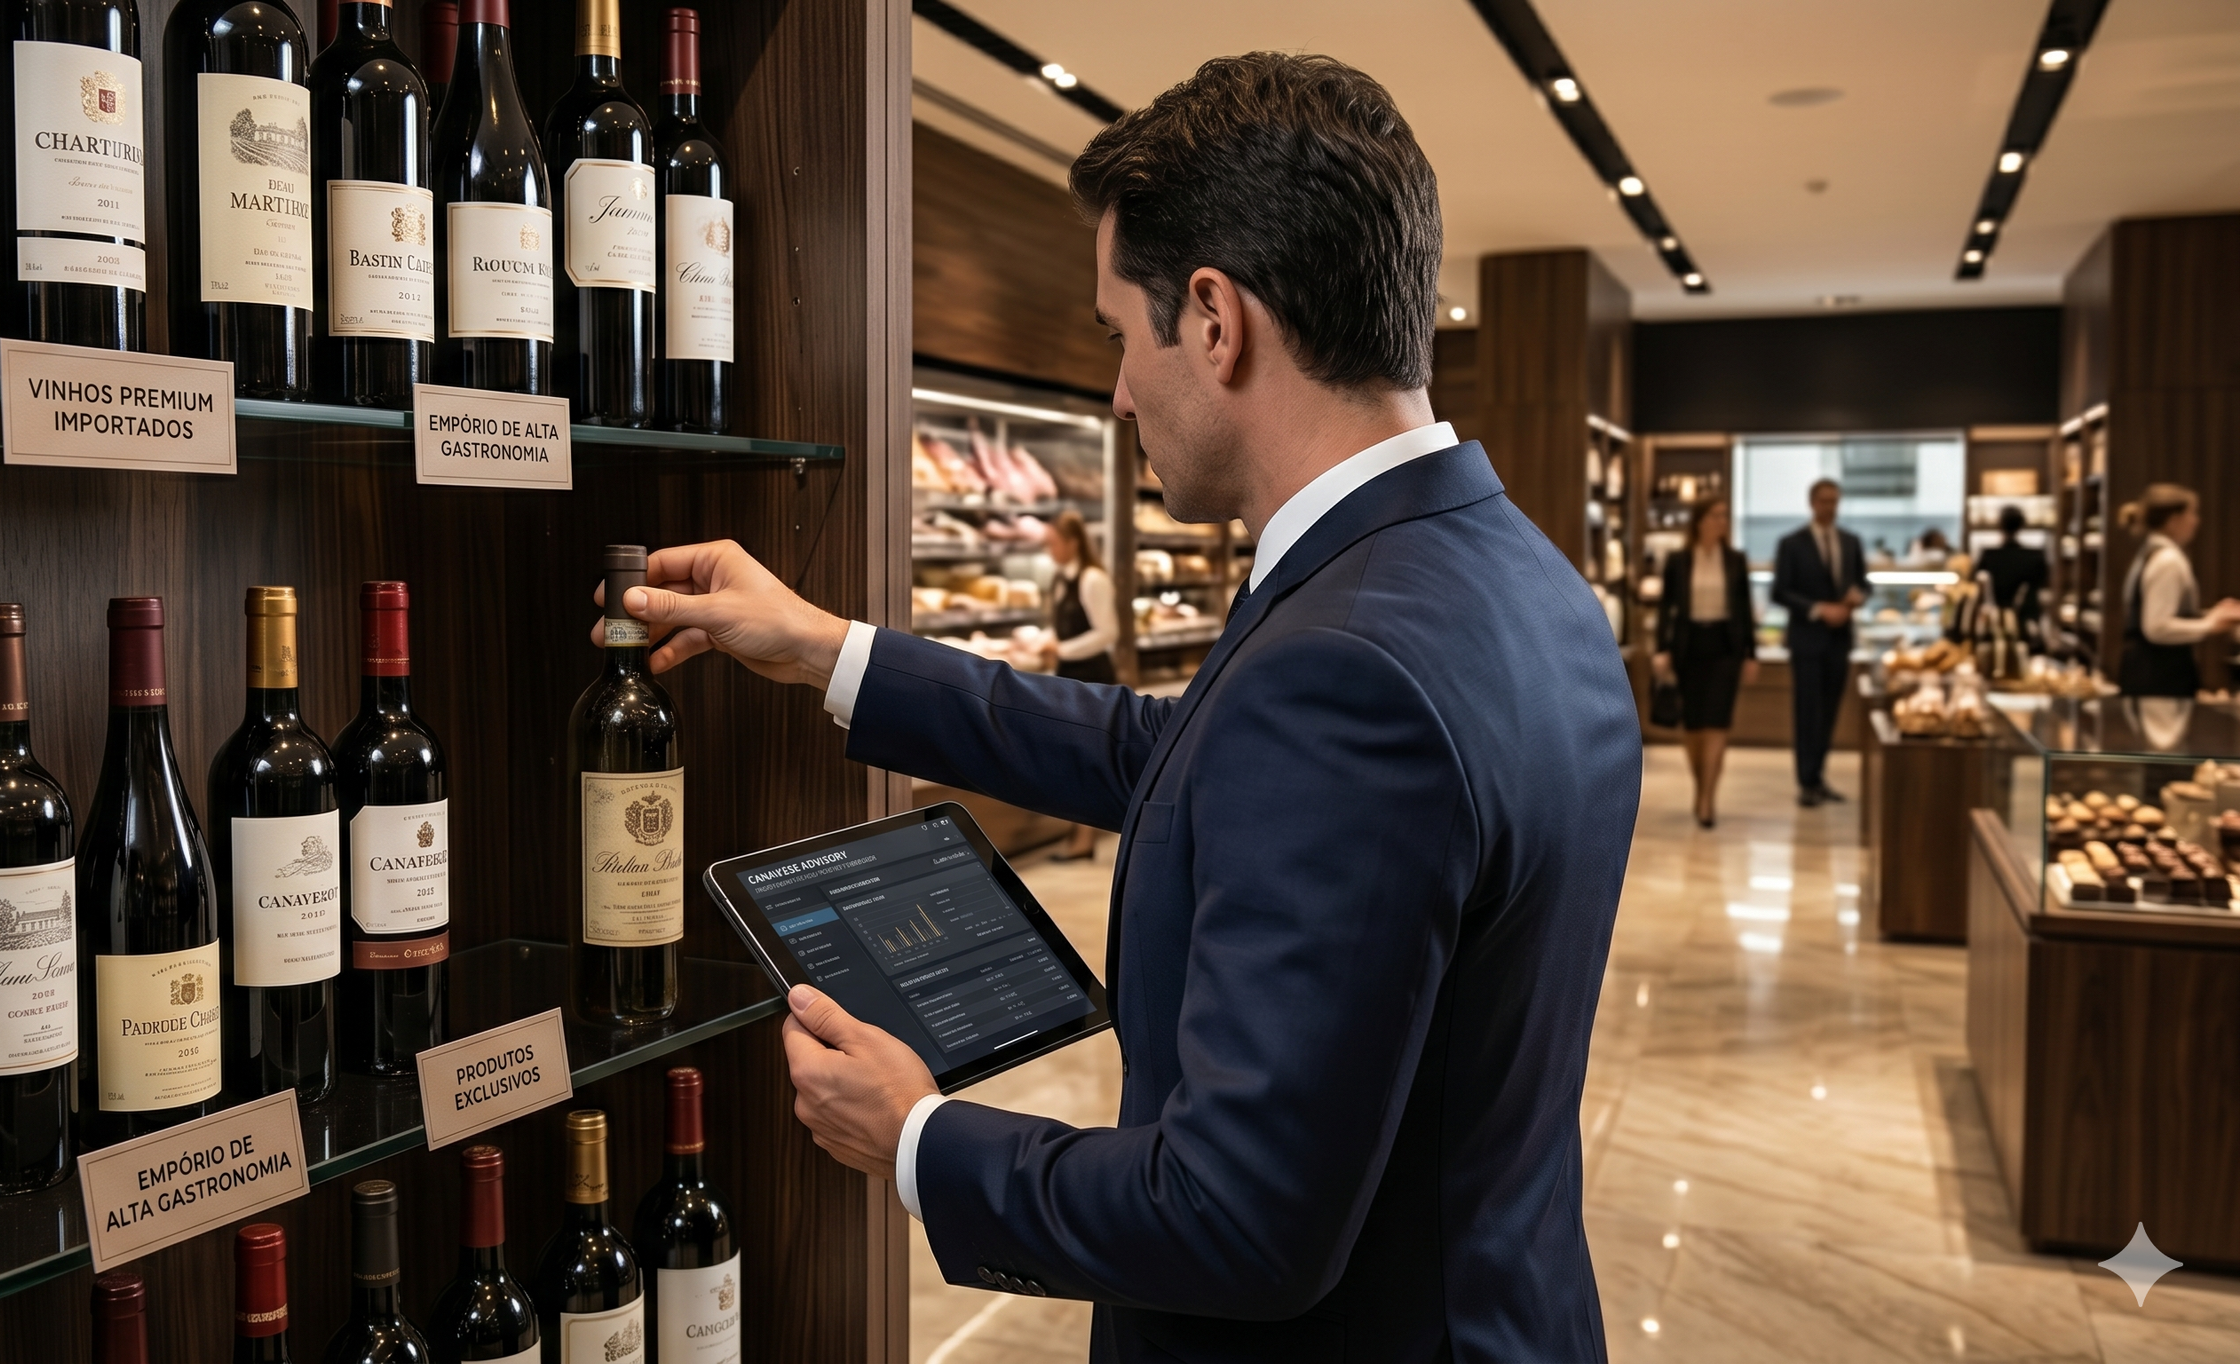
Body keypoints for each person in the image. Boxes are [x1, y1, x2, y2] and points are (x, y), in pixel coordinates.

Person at [594, 53, 1636, 1363]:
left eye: (1115, 337)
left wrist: (918, 1139)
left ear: (1213, 318)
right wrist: (828, 649)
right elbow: (1179, 752)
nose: (1118, 394)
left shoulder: (1346, 665)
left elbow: (1236, 1221)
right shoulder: (1512, 577)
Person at [1652, 495, 1757, 828]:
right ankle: (1701, 787)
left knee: (1718, 724)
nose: (1721, 522)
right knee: (1694, 725)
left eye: (1725, 516)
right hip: (1689, 647)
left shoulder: (1735, 560)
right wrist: (1661, 649)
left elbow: (1745, 610)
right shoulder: (1679, 560)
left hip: (1725, 648)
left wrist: (1751, 654)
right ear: (1699, 521)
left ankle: (1708, 799)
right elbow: (1666, 610)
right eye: (1715, 515)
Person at [1772, 478, 1870, 807]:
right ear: (1812, 503)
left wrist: (1857, 598)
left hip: (1840, 640)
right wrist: (1818, 609)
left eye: (1835, 502)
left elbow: (1863, 583)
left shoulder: (1851, 541)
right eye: (1824, 501)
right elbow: (1780, 591)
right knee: (1807, 711)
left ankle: (1818, 776)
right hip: (1807, 639)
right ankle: (1805, 781)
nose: (1830, 507)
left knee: (1829, 711)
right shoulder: (1792, 543)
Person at [1036, 508, 1119, 860]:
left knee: (1086, 759)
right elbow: (1062, 627)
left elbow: (1108, 633)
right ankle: (1079, 837)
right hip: (1069, 677)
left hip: (1094, 679)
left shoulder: (1092, 580)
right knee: (1075, 759)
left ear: (1072, 542)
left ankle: (1083, 842)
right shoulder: (1060, 580)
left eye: (1054, 543)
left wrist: (1062, 649)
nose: (1050, 551)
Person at [2115, 483, 2240, 697]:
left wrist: (2211, 614)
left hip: (2146, 669)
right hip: (2158, 673)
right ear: (2174, 520)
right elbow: (2156, 627)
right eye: (2192, 513)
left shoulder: (2152, 551)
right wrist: (2209, 624)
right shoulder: (2168, 561)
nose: (2196, 521)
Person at [1976, 503, 2049, 626]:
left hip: (1998, 619)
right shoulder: (2035, 556)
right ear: (2022, 525)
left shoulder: (1990, 555)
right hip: (2028, 619)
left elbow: (1978, 586)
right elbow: (2043, 584)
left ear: (1999, 525)